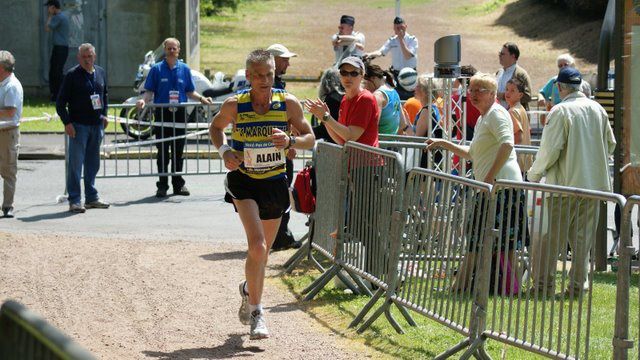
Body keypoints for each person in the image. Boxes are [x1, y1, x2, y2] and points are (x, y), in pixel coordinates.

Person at [209, 49, 315, 339]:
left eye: (269, 74)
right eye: (258, 76)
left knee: (263, 253)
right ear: (248, 77)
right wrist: (225, 151)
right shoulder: (235, 105)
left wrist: (291, 139)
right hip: (244, 182)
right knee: (257, 247)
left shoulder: (288, 104)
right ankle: (257, 312)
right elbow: (215, 127)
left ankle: (247, 289)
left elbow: (310, 138)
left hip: (274, 184)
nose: (265, 80)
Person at [425, 73, 524, 291]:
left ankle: (463, 287)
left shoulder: (497, 114)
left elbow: (507, 145)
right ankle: (505, 288)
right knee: (483, 240)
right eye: (471, 90)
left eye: (480, 90)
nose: (473, 94)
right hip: (492, 187)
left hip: (501, 187)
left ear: (491, 94)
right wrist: (445, 143)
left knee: (486, 241)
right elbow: (472, 153)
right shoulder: (483, 117)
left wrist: (489, 178)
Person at [528, 67, 616, 296]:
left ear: (559, 87)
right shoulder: (598, 109)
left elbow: (549, 150)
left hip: (564, 185)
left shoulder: (560, 111)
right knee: (582, 240)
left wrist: (533, 175)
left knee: (551, 239)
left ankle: (542, 286)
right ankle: (578, 287)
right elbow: (611, 143)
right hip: (593, 186)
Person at [136, 37, 213, 198]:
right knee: (163, 151)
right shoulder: (156, 69)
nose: (171, 51)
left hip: (179, 114)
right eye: (169, 48)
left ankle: (178, 184)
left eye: (174, 48)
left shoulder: (184, 69)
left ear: (178, 50)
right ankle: (162, 185)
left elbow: (189, 91)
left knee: (178, 151)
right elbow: (149, 91)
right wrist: (143, 100)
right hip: (162, 114)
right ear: (165, 50)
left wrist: (202, 99)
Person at [56, 43, 110, 213]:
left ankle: (92, 197)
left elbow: (104, 96)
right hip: (78, 127)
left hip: (96, 126)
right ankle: (74, 200)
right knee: (75, 165)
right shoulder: (72, 75)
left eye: (90, 56)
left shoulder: (100, 72)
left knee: (93, 164)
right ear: (78, 58)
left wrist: (104, 115)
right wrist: (67, 123)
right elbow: (60, 103)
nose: (87, 60)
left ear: (94, 56)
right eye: (84, 57)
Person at [266, 43, 301, 251]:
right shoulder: (275, 86)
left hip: (277, 144)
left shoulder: (274, 84)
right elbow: (280, 118)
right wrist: (289, 143)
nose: (288, 62)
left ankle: (278, 235)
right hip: (278, 146)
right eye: (285, 59)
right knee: (281, 190)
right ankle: (280, 236)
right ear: (274, 60)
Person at [304, 56, 379, 147]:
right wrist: (324, 119)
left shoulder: (365, 99)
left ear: (362, 75)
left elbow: (351, 136)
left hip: (366, 160)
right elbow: (341, 140)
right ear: (339, 75)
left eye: (354, 73)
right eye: (344, 73)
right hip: (350, 159)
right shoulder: (345, 99)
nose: (348, 77)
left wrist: (327, 117)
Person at [0, 51, 23, 218]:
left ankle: (7, 206)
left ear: (2, 68)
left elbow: (10, 112)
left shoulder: (12, 86)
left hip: (8, 133)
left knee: (8, 170)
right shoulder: (2, 83)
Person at [362, 64, 411, 135]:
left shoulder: (377, 96)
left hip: (380, 143)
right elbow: (403, 124)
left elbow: (372, 125)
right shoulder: (394, 92)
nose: (365, 87)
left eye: (364, 83)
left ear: (373, 78)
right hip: (393, 143)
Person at [504, 78, 532, 172]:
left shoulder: (513, 111)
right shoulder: (521, 109)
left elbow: (518, 136)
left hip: (517, 162)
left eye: (512, 90)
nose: (508, 93)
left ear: (520, 95)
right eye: (507, 89)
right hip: (526, 161)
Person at [45, 0, 70, 102]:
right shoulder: (62, 16)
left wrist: (50, 15)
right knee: (55, 72)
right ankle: (56, 95)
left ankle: (57, 95)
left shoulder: (58, 17)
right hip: (60, 48)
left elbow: (47, 28)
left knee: (56, 73)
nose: (48, 9)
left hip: (60, 48)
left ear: (53, 7)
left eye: (49, 7)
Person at [495, 42, 532, 110]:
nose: (500, 56)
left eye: (502, 54)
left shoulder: (520, 74)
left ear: (513, 56)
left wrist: (503, 96)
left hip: (514, 116)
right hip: (499, 115)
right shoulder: (498, 72)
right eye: (499, 53)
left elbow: (527, 96)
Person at [313, 68, 344, 143]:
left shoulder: (331, 99)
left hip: (335, 142)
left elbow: (325, 129)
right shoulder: (345, 97)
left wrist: (307, 132)